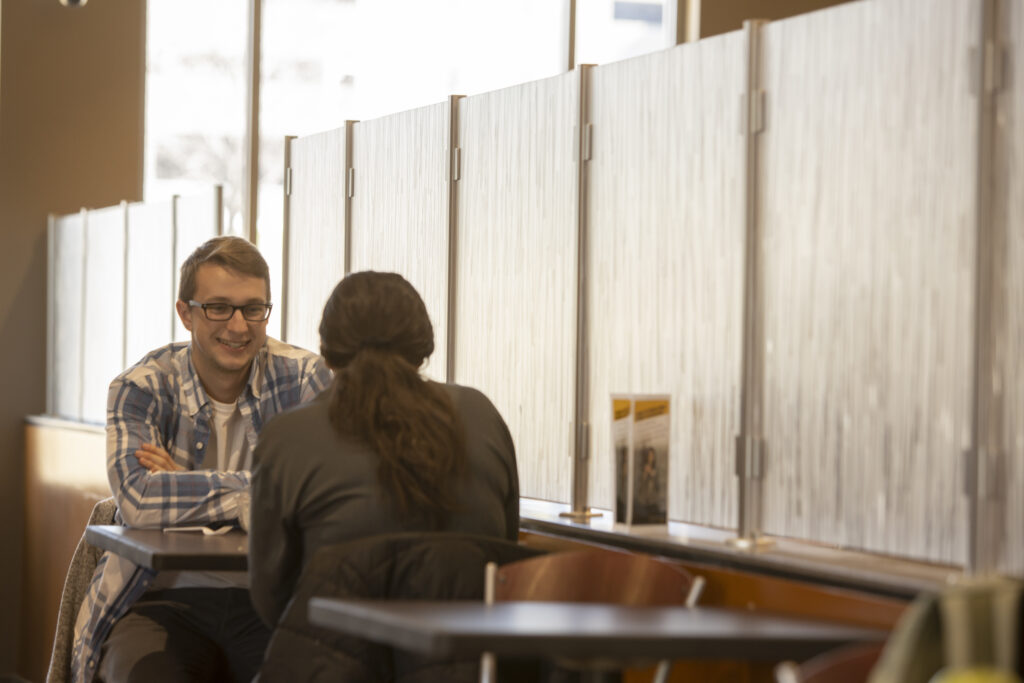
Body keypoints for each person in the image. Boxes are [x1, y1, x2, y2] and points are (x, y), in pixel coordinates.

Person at [71, 236, 332, 683]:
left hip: (271, 599)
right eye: (218, 307)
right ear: (185, 313)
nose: (238, 325)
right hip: (157, 599)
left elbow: (324, 497)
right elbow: (137, 500)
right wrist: (254, 493)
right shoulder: (141, 387)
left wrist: (186, 483)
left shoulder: (307, 379)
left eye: (254, 308)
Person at [248, 271, 520, 630]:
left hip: (332, 667)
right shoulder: (480, 415)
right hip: (469, 665)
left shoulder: (289, 436)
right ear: (423, 347)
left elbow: (271, 596)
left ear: (327, 354)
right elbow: (506, 553)